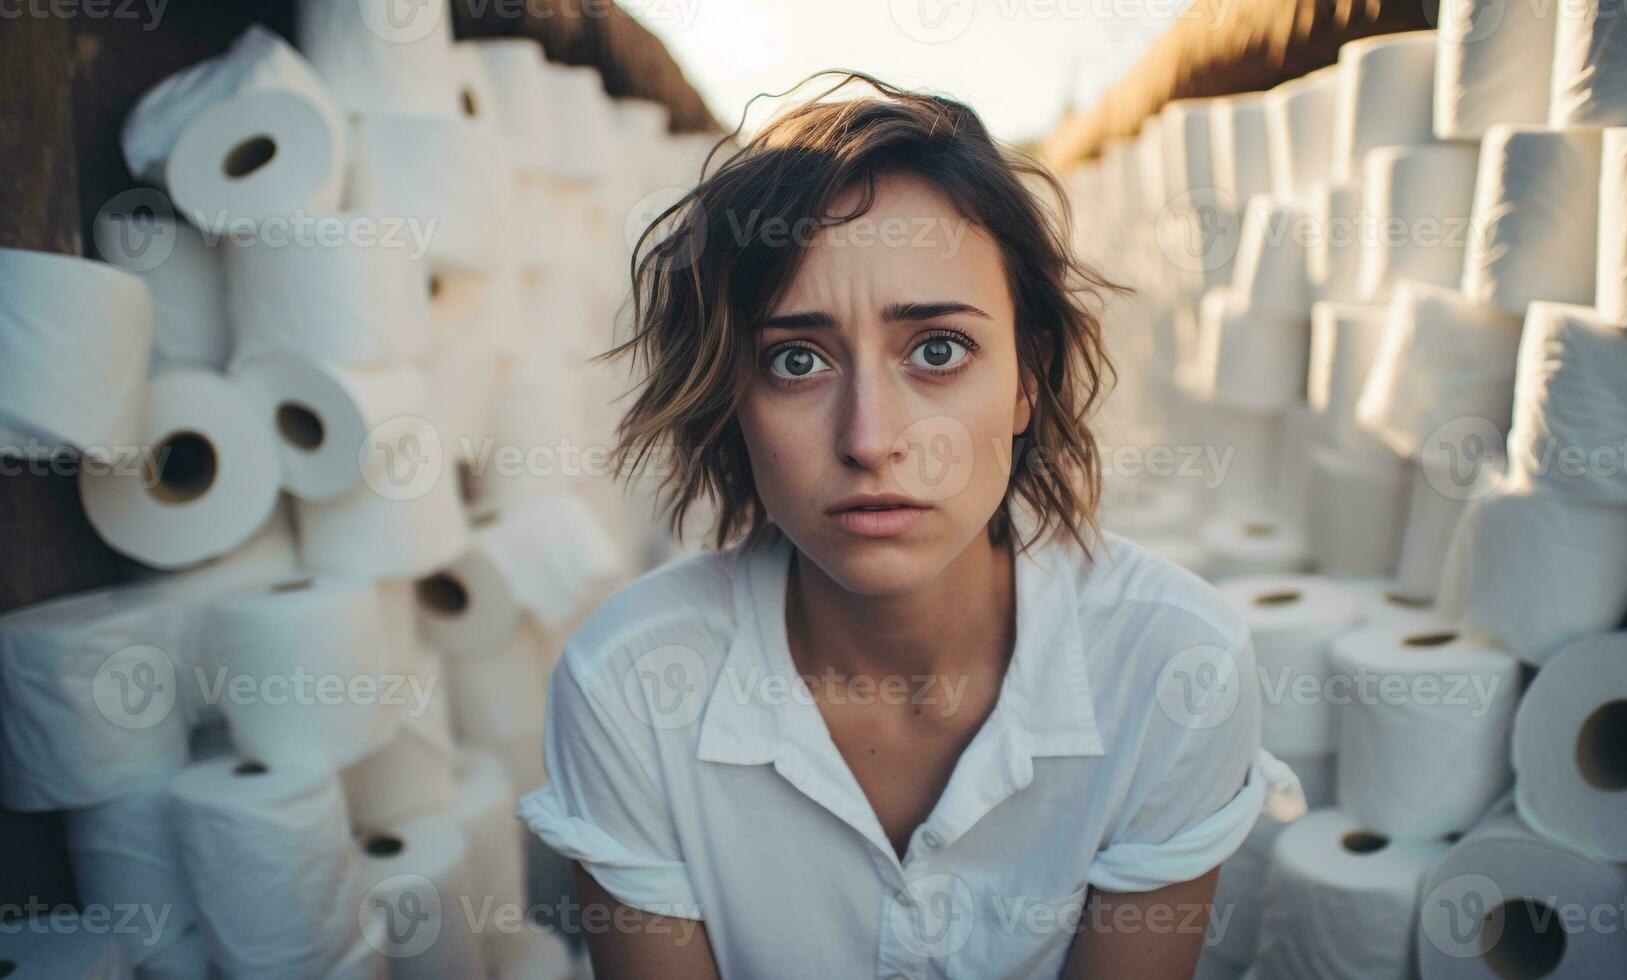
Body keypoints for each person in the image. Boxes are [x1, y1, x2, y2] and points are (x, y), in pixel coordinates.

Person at [517, 72, 1296, 979]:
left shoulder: (1172, 666)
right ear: (731, 397)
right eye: (795, 360)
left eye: (937, 350)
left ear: (1025, 378)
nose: (870, 440)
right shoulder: (627, 688)